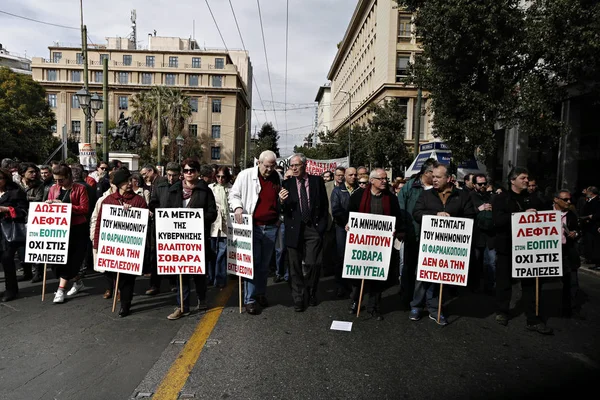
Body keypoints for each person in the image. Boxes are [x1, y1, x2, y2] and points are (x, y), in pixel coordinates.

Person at [411, 163, 475, 325]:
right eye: (433, 176)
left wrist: (453, 221)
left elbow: (470, 216)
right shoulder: (426, 195)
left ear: (449, 179)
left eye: (438, 177)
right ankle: (416, 306)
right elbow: (417, 213)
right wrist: (435, 214)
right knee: (422, 275)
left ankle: (434, 309)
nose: (434, 180)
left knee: (439, 278)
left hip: (450, 247)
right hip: (429, 244)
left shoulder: (462, 196)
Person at [492, 167, 553, 334]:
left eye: (527, 178)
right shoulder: (501, 199)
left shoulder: (535, 199)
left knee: (531, 284)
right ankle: (502, 312)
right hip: (507, 247)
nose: (527, 181)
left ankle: (533, 318)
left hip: (528, 249)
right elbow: (498, 221)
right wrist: (520, 215)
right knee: (504, 282)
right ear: (513, 180)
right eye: (523, 178)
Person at [346, 168, 403, 320]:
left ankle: (374, 307)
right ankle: (355, 301)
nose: (385, 181)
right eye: (381, 179)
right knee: (358, 276)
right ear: (372, 181)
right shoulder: (358, 196)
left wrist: (394, 230)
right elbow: (349, 214)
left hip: (381, 245)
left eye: (386, 179)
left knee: (377, 277)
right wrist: (349, 225)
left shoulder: (391, 198)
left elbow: (397, 217)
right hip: (361, 243)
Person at [229, 151, 281, 315]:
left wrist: (280, 217)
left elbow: (280, 199)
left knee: (264, 265)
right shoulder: (245, 175)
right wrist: (237, 207)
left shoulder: (277, 177)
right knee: (252, 264)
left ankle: (260, 293)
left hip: (271, 226)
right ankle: (249, 299)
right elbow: (234, 194)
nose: (269, 169)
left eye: (272, 166)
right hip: (253, 226)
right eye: (266, 166)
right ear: (259, 162)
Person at [165, 159, 217, 320]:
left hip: (197, 238)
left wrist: (196, 219)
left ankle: (202, 299)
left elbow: (212, 213)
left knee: (199, 273)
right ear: (183, 172)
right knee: (182, 273)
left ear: (197, 172)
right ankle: (182, 306)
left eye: (192, 170)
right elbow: (166, 211)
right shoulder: (174, 190)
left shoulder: (205, 190)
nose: (189, 173)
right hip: (178, 239)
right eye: (186, 170)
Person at [92, 169, 147, 317]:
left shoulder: (139, 201)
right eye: (126, 182)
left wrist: (133, 212)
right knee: (112, 274)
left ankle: (125, 304)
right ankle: (119, 293)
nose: (130, 184)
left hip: (131, 248)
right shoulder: (108, 201)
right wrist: (97, 244)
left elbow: (143, 223)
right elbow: (99, 224)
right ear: (118, 184)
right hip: (112, 247)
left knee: (128, 278)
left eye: (131, 181)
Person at [280, 153, 328, 312]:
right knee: (294, 266)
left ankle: (311, 291)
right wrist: (281, 201)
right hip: (294, 229)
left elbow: (323, 205)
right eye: (291, 166)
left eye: (296, 165)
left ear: (304, 165)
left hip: (312, 228)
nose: (293, 168)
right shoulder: (287, 183)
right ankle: (298, 297)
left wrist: (320, 228)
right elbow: (283, 210)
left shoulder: (316, 181)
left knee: (312, 263)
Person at [46, 163, 90, 303]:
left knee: (70, 260)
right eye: (56, 180)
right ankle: (77, 281)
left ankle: (60, 290)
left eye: (61, 180)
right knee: (57, 261)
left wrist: (65, 207)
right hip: (59, 229)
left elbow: (84, 209)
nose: (58, 183)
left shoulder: (80, 189)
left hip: (77, 228)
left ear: (69, 177)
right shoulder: (53, 189)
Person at [397, 158, 436, 306]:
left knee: (427, 268)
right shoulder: (410, 187)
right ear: (427, 173)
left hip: (432, 237)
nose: (436, 177)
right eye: (434, 173)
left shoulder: (438, 187)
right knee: (409, 266)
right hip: (412, 234)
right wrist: (401, 229)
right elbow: (400, 208)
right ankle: (406, 297)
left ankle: (426, 299)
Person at [146, 162, 181, 295]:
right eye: (169, 175)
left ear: (179, 175)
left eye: (174, 175)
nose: (171, 178)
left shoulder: (182, 187)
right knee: (156, 255)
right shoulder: (160, 185)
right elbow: (153, 202)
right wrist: (158, 210)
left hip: (175, 226)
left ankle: (173, 282)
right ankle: (155, 284)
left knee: (173, 253)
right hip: (160, 225)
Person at [553, 190, 584, 319]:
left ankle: (571, 309)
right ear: (556, 200)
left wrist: (575, 233)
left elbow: (578, 229)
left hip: (567, 250)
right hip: (549, 251)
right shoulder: (545, 212)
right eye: (565, 200)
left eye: (569, 199)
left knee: (571, 281)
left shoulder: (572, 214)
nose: (569, 202)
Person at [0, 168, 28, 302]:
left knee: (7, 259)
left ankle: (11, 289)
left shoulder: (15, 192)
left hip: (8, 231)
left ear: (6, 179)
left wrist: (6, 209)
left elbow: (23, 211)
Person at [330, 167, 357, 298]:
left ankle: (353, 285)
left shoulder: (360, 190)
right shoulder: (337, 191)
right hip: (342, 227)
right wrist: (346, 222)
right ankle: (340, 285)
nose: (354, 177)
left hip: (357, 229)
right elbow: (336, 209)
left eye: (355, 175)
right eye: (351, 175)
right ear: (345, 176)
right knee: (341, 256)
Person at [16, 162, 44, 282]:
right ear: (22, 173)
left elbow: (38, 201)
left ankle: (38, 272)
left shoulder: (39, 185)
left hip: (33, 218)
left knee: (35, 246)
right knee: (21, 247)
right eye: (30, 172)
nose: (34, 174)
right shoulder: (16, 185)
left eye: (34, 172)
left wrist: (23, 200)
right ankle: (26, 271)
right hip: (19, 219)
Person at [470, 173, 496, 294]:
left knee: (491, 262)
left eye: (485, 183)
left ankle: (489, 287)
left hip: (490, 235)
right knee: (476, 261)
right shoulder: (469, 196)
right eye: (480, 184)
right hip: (476, 235)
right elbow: (466, 213)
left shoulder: (492, 196)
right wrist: (478, 209)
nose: (483, 186)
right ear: (474, 184)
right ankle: (474, 286)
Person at [208, 166, 232, 289]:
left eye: (223, 176)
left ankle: (220, 278)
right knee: (212, 252)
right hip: (213, 223)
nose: (221, 179)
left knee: (222, 253)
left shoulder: (232, 189)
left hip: (226, 224)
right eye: (218, 176)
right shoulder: (210, 188)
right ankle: (211, 277)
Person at [581, 186, 600, 270]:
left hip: (595, 226)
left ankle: (598, 263)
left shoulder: (598, 201)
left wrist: (591, 216)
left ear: (591, 193)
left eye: (587, 191)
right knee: (590, 244)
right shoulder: (590, 200)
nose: (586, 192)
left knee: (596, 245)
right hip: (589, 226)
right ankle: (591, 259)